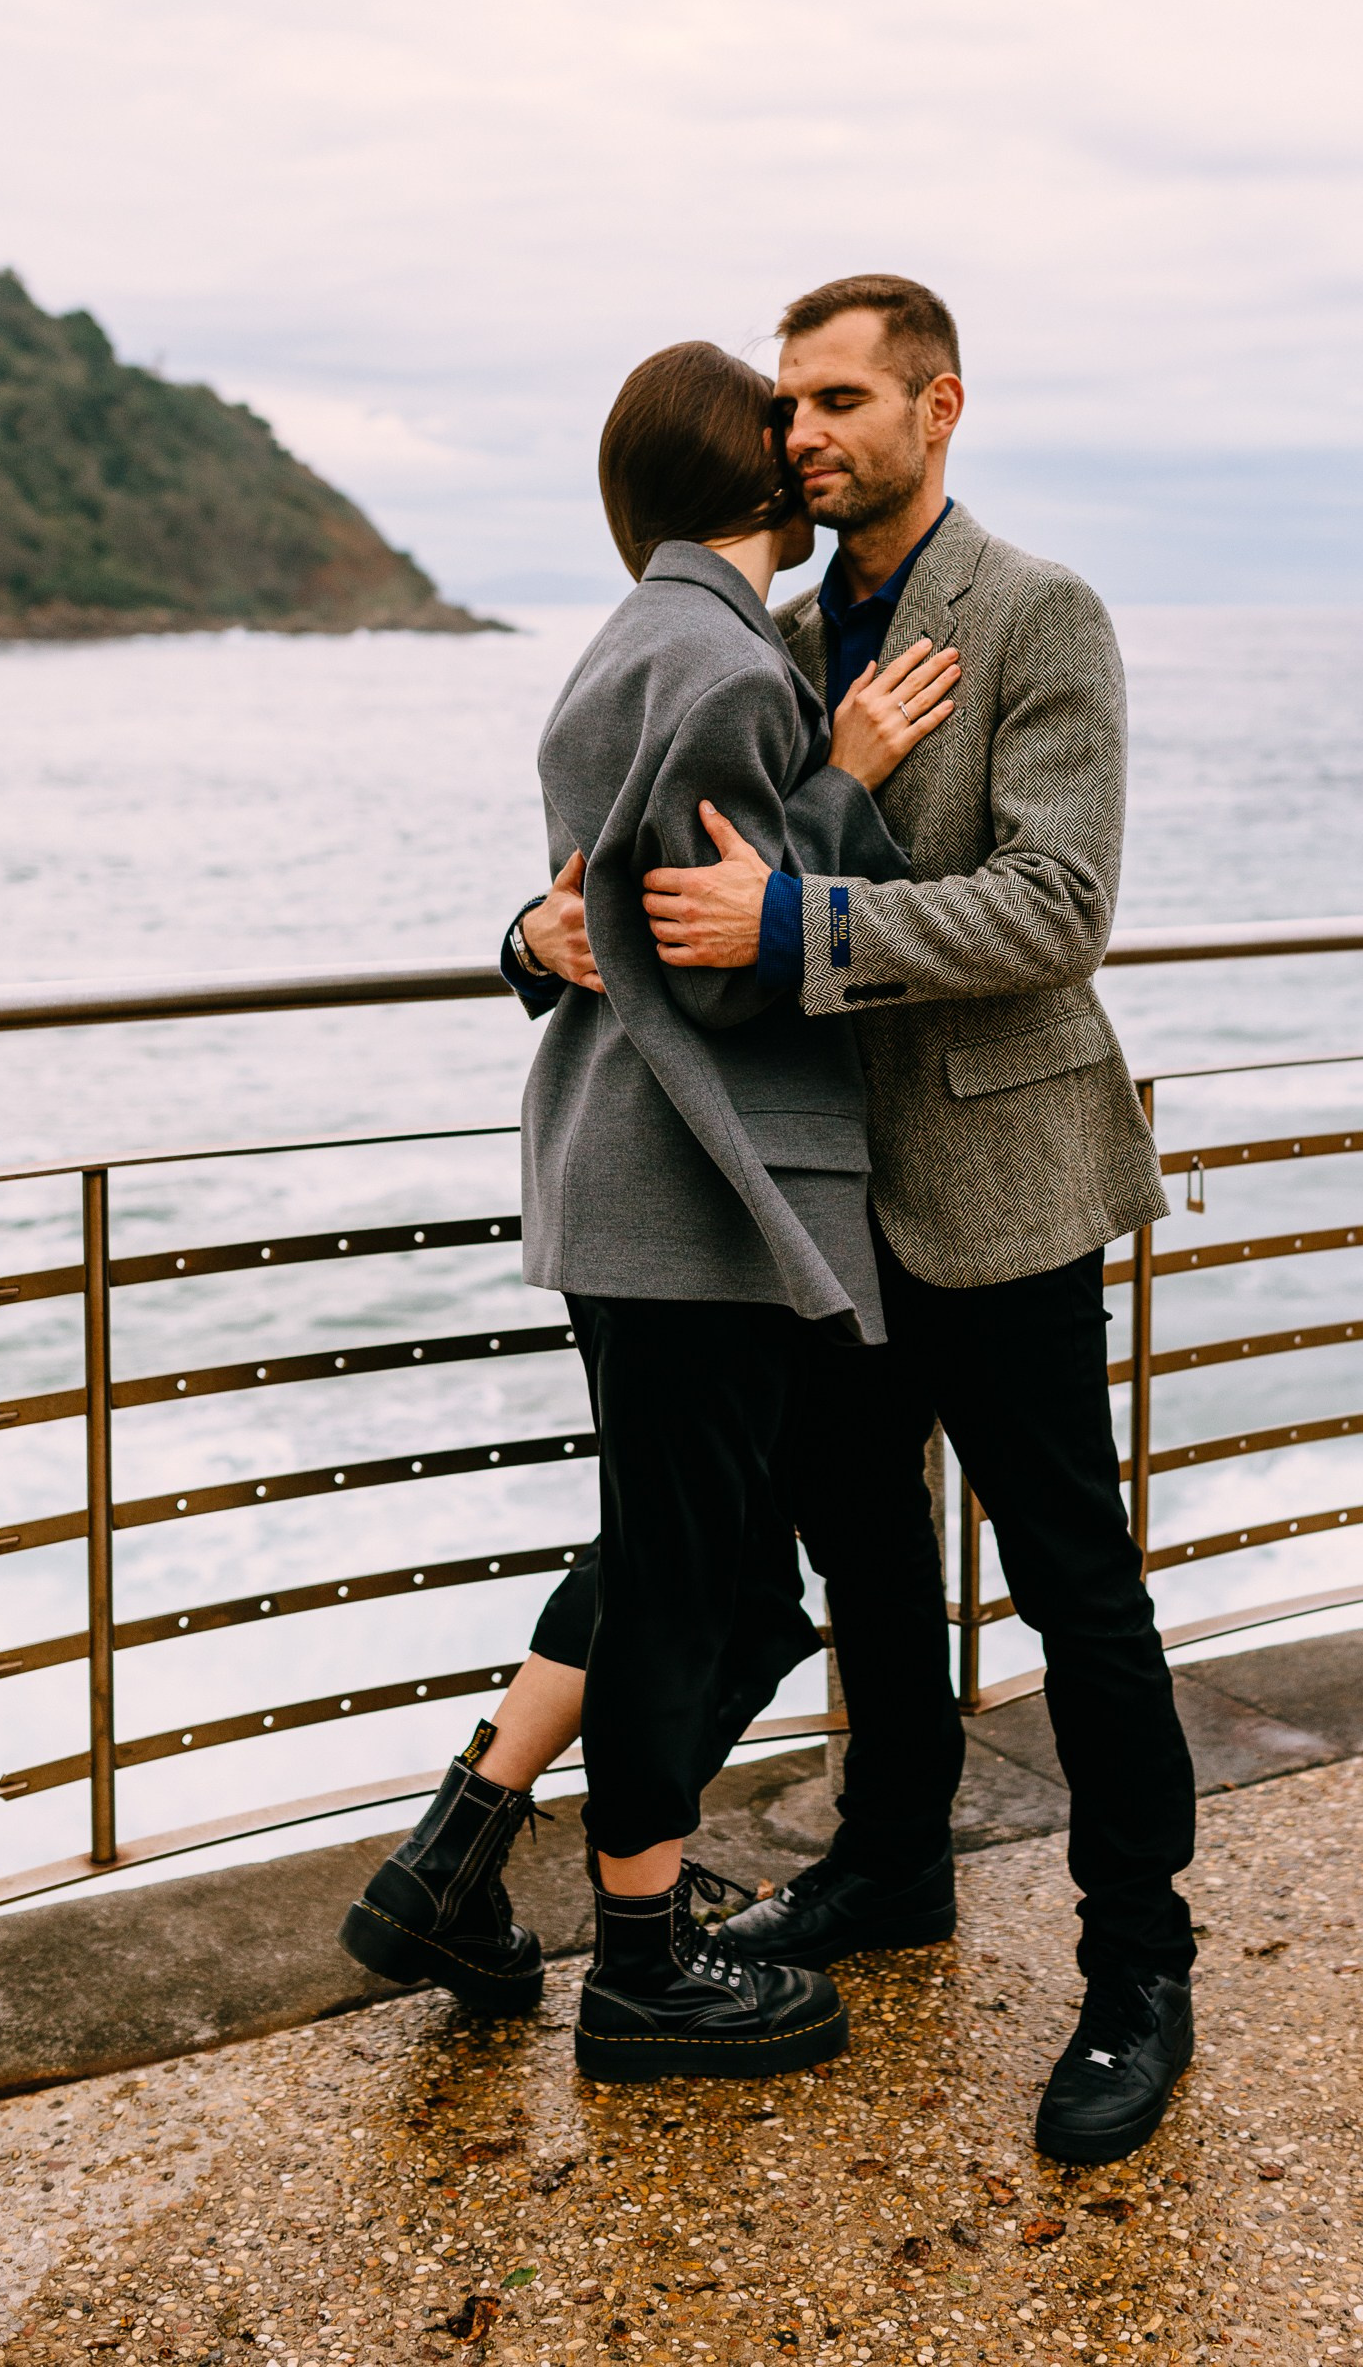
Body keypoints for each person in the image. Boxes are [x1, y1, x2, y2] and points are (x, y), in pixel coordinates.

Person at [340, 340, 959, 2081]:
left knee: (690, 1557)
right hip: (702, 1186)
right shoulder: (729, 671)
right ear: (760, 477)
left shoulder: (629, 642)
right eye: (791, 426)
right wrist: (841, 777)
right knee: (698, 1578)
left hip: (631, 1176)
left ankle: (457, 1856)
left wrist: (544, 937)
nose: (813, 445)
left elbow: (596, 907)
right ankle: (637, 1957)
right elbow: (735, 962)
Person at [637, 275, 1199, 2165]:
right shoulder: (774, 640)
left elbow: (1058, 907)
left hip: (1006, 1180)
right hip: (821, 1213)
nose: (803, 432)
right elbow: (669, 865)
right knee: (869, 1570)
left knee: (1075, 1587)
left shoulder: (1037, 613)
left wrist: (803, 931)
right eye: (790, 402)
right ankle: (894, 1875)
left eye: (842, 399)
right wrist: (540, 939)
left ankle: (1138, 1961)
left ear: (938, 405)